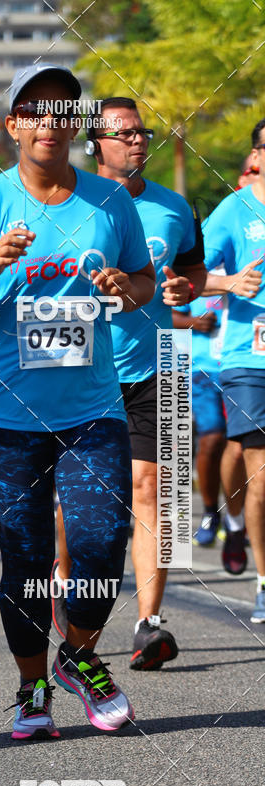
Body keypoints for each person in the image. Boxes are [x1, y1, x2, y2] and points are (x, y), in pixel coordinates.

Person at [0, 64, 156, 739]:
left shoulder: (108, 201)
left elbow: (144, 285)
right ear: (13, 126)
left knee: (99, 542)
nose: (49, 122)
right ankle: (32, 690)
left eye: (63, 110)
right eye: (34, 110)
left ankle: (79, 657)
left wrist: (125, 287)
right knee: (28, 559)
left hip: (91, 406)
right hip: (6, 411)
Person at [52, 97, 207, 671]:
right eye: (123, 133)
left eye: (142, 132)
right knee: (78, 506)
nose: (137, 141)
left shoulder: (174, 206)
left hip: (159, 363)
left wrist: (187, 289)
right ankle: (70, 591)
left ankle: (149, 623)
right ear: (95, 143)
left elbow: (192, 268)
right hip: (82, 368)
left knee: (155, 492)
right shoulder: (70, 203)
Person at [201, 117, 265, 623]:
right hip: (248, 359)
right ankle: (264, 578)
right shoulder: (234, 210)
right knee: (255, 470)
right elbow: (186, 274)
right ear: (257, 156)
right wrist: (228, 283)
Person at [172, 294, 227, 545]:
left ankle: (239, 518)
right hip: (202, 371)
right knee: (212, 440)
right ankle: (210, 512)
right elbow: (168, 315)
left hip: (246, 368)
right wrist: (193, 321)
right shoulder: (199, 268)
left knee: (245, 446)